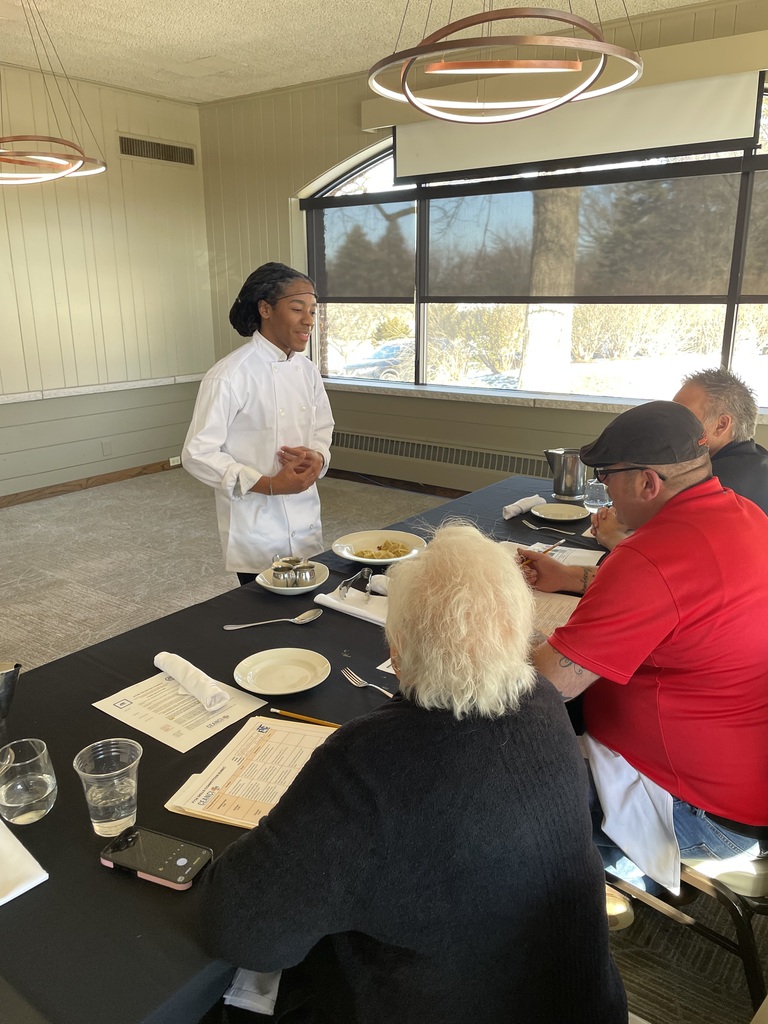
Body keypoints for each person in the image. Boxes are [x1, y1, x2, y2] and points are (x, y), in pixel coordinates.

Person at [200, 523, 627, 1024]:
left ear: (396, 651)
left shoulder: (366, 761)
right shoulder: (545, 702)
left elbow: (245, 933)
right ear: (518, 631)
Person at [524, 401, 768, 895]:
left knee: (501, 801)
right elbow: (680, 601)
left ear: (647, 483)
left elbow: (546, 685)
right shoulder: (745, 514)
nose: (603, 493)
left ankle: (589, 891)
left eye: (607, 478)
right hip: (743, 780)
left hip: (696, 810)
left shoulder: (650, 558)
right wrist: (572, 576)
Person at [182, 263, 333, 584]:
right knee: (263, 611)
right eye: (297, 309)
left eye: (312, 310)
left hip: (304, 513)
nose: (308, 319)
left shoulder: (307, 371)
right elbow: (197, 453)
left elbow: (323, 428)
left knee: (306, 604)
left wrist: (317, 457)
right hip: (255, 522)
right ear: (265, 309)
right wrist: (270, 484)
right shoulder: (230, 374)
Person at [592, 367, 768, 550]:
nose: (669, 424)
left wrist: (612, 537)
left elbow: (663, 560)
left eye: (683, 416)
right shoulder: (758, 460)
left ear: (721, 425)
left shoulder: (712, 486)